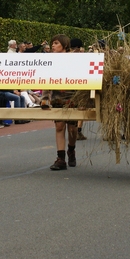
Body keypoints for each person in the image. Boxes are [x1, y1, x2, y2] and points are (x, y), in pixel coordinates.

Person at [42, 34, 79, 170]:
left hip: (72, 96)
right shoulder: (50, 60)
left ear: (64, 45)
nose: (53, 45)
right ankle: (61, 158)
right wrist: (45, 98)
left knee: (72, 129)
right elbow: (47, 79)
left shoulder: (75, 59)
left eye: (56, 43)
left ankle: (71, 149)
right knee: (59, 127)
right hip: (58, 97)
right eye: (52, 43)